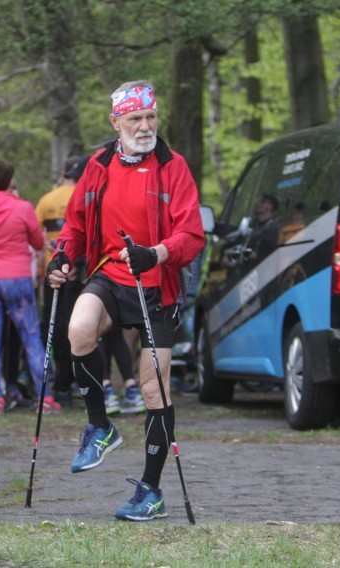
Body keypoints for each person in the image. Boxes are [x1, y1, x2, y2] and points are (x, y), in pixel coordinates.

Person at [48, 80, 204, 521]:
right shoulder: (97, 165)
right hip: (111, 274)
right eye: (135, 118)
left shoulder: (173, 167)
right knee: (78, 329)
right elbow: (76, 222)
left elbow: (192, 235)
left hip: (158, 283)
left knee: (154, 386)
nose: (145, 126)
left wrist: (155, 252)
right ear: (115, 122)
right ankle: (99, 425)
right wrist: (62, 254)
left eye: (151, 117)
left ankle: (151, 491)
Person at [0, 160, 60, 415]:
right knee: (31, 338)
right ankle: (45, 398)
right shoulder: (23, 208)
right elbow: (39, 241)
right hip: (17, 279)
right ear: (10, 182)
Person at [35, 156, 88, 407]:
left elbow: (36, 238)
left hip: (53, 269)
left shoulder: (47, 199)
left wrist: (39, 268)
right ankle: (73, 381)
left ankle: (58, 385)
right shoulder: (85, 196)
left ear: (64, 173)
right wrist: (79, 265)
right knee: (77, 327)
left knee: (53, 325)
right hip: (78, 271)